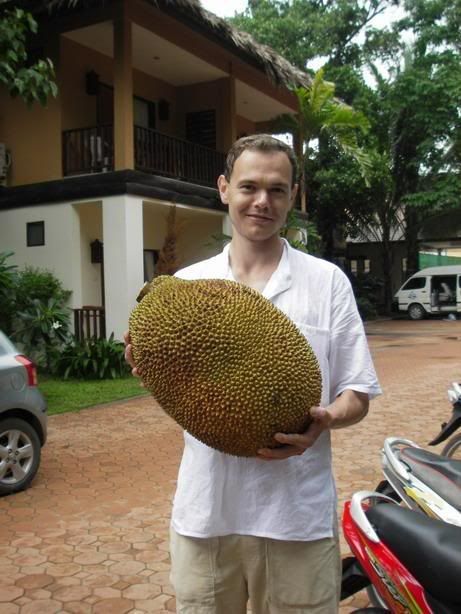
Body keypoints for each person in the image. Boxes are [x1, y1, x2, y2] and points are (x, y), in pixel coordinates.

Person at [125, 134, 381, 614]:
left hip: (296, 521)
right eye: (249, 187)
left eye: (277, 190)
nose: (262, 201)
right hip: (207, 517)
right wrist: (148, 365)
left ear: (291, 198)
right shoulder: (185, 287)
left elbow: (358, 392)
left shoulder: (327, 282)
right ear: (224, 189)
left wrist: (327, 417)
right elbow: (183, 388)